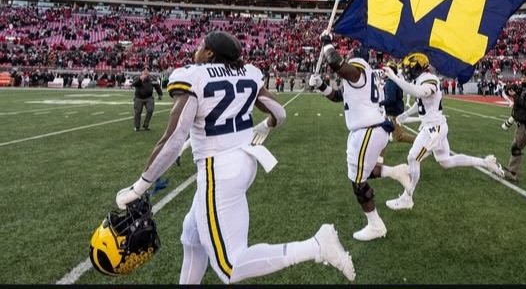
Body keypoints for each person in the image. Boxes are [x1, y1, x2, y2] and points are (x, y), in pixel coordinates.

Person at [114, 31, 355, 283]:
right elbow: (280, 113)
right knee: (191, 236)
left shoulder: (194, 76)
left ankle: (316, 246)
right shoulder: (248, 74)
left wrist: (139, 186)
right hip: (246, 162)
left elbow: (174, 139)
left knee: (230, 266)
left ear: (209, 53)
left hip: (218, 170)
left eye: (200, 46)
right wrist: (265, 126)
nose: (196, 50)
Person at [308, 32, 412, 242]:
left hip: (368, 131)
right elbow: (339, 97)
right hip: (370, 131)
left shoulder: (359, 70)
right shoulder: (363, 75)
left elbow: (336, 62)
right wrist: (320, 85)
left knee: (358, 183)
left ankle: (375, 225)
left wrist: (327, 43)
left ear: (357, 57)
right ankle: (397, 172)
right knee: (362, 172)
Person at [381, 52, 505, 211]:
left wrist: (396, 79)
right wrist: (405, 114)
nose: (405, 71)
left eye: (408, 67)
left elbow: (419, 93)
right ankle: (486, 162)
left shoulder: (429, 79)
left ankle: (407, 198)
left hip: (434, 129)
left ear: (417, 67)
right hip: (435, 126)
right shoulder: (421, 79)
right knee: (446, 161)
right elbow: (421, 102)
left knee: (413, 158)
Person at [378, 61, 416, 149]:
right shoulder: (395, 81)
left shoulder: (391, 83)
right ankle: (379, 156)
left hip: (393, 112)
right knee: (382, 132)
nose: (384, 72)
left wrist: (379, 103)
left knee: (399, 136)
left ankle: (420, 142)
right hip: (394, 110)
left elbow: (391, 99)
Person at [132, 66, 163, 131]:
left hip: (149, 97)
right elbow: (134, 84)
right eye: (144, 70)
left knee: (150, 110)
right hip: (138, 97)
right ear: (142, 71)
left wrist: (160, 94)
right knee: (137, 112)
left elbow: (157, 86)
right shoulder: (137, 77)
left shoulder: (152, 79)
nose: (146, 72)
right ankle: (137, 126)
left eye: (147, 70)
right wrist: (140, 79)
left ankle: (146, 124)